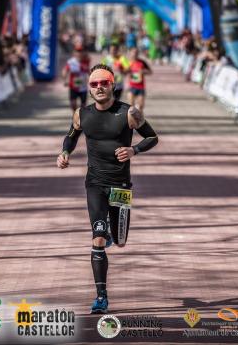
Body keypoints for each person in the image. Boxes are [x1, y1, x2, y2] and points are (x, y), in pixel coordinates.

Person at [56, 64, 158, 314]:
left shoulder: (129, 113)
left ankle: (113, 235)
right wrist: (65, 152)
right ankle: (101, 296)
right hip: (95, 183)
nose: (99, 87)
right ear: (89, 89)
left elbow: (152, 137)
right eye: (94, 84)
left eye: (104, 83)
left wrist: (134, 150)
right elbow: (72, 135)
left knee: (120, 241)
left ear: (113, 85)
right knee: (98, 238)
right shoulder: (81, 114)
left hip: (120, 185)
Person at [62, 47, 90, 112]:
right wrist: (65, 79)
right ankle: (75, 115)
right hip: (73, 87)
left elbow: (89, 72)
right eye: (77, 51)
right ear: (74, 53)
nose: (79, 53)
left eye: (80, 51)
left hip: (83, 88)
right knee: (73, 104)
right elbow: (65, 70)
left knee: (83, 106)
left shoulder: (86, 61)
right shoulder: (71, 62)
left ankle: (81, 117)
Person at [127, 47, 152, 112]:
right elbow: (123, 71)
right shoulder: (128, 62)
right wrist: (127, 71)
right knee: (131, 107)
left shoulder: (142, 62)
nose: (135, 54)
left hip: (141, 87)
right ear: (130, 53)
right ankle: (131, 121)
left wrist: (143, 71)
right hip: (131, 86)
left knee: (140, 107)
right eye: (133, 52)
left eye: (136, 52)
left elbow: (150, 72)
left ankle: (140, 121)